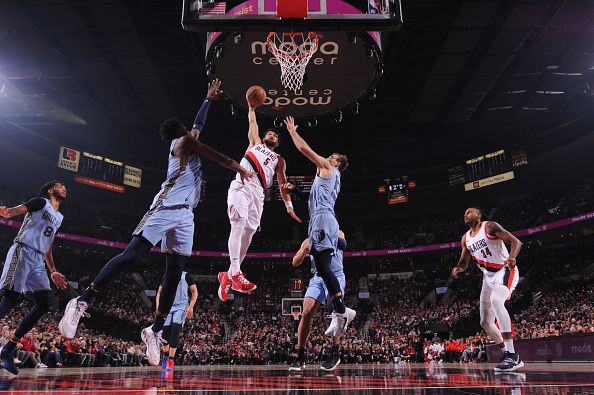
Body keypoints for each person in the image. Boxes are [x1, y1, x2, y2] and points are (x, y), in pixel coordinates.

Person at [59, 80, 254, 366]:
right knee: (132, 255)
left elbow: (199, 123)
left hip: (186, 215)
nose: (192, 130)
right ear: (180, 133)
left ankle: (155, 329)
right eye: (188, 130)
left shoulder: (187, 142)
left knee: (175, 274)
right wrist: (240, 168)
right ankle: (82, 300)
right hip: (165, 207)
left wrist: (208, 98)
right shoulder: (184, 143)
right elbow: (219, 156)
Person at [217, 102, 300, 301]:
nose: (272, 136)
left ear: (278, 143)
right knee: (238, 224)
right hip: (241, 186)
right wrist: (251, 108)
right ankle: (236, 273)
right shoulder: (255, 143)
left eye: (275, 136)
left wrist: (289, 207)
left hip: (258, 195)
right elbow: (252, 123)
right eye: (269, 134)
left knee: (249, 232)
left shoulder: (279, 160)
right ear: (264, 137)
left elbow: (282, 185)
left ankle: (226, 276)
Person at [283, 116, 354, 338]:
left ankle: (342, 311)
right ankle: (340, 311)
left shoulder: (328, 167)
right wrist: (295, 190)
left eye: (331, 157)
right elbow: (313, 199)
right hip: (320, 218)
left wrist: (292, 131)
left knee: (324, 266)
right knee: (322, 267)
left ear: (336, 163)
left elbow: (304, 149)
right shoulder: (329, 177)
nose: (327, 157)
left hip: (323, 219)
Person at [0, 181, 69, 375]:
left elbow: (48, 244)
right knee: (11, 298)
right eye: (60, 185)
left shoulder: (59, 217)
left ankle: (8, 349)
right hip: (23, 250)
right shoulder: (41, 202)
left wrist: (53, 270)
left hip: (39, 260)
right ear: (50, 190)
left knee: (44, 303)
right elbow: (18, 210)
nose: (65, 188)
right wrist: (7, 212)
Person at [451, 207, 524, 372]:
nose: (465, 213)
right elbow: (464, 262)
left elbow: (516, 242)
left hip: (505, 270)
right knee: (485, 322)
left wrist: (512, 257)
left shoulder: (489, 226)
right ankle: (506, 353)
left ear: (478, 215)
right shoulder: (465, 239)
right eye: (464, 212)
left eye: (469, 211)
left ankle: (513, 355)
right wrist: (458, 268)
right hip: (488, 278)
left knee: (497, 301)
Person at [288, 230, 349, 372]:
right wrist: (304, 251)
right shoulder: (308, 240)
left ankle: (335, 353)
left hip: (335, 275)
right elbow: (294, 262)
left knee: (333, 310)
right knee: (306, 313)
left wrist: (324, 239)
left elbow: (343, 243)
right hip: (317, 279)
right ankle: (301, 356)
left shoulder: (337, 232)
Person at [157, 270, 198, 371]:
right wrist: (158, 305)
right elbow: (159, 292)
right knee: (164, 330)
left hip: (181, 306)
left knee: (175, 327)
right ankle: (166, 355)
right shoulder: (166, 275)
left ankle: (171, 359)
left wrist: (191, 306)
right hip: (167, 305)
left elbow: (194, 292)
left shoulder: (187, 276)